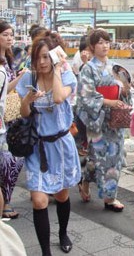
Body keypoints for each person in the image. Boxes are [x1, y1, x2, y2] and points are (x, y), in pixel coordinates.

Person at [17, 33, 80, 255]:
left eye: (46, 57)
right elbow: (24, 114)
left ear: (54, 57)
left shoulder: (67, 76)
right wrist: (27, 100)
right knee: (39, 200)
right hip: (37, 148)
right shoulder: (28, 79)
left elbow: (58, 98)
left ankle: (63, 233)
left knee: (62, 196)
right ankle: (45, 250)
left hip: (61, 147)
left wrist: (58, 68)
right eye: (38, 57)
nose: (41, 62)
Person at [76, 29, 132, 210]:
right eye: (100, 42)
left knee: (114, 157)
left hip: (114, 121)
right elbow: (85, 96)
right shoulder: (88, 69)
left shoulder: (115, 67)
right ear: (92, 46)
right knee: (97, 158)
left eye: (107, 42)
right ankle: (85, 180)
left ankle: (110, 198)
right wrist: (108, 102)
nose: (105, 45)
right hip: (98, 120)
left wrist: (124, 92)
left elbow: (124, 91)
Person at [0, 21, 26, 220]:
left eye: (11, 35)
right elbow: (6, 88)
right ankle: (6, 201)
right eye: (5, 35)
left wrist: (19, 77)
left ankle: (6, 199)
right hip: (3, 119)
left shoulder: (7, 58)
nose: (10, 38)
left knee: (11, 161)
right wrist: (19, 78)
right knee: (9, 162)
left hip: (8, 119)